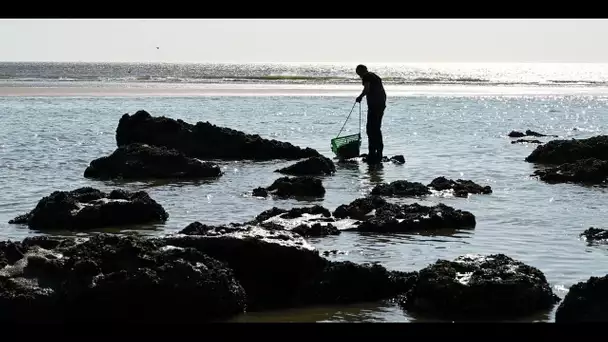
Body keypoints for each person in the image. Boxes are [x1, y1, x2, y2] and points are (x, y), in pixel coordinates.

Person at [355, 64, 386, 164]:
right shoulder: (374, 76)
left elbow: (367, 89)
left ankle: (372, 153)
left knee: (371, 129)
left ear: (361, 71)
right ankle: (378, 153)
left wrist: (360, 97)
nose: (359, 76)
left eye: (358, 73)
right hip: (381, 104)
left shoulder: (367, 76)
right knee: (376, 128)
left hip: (374, 105)